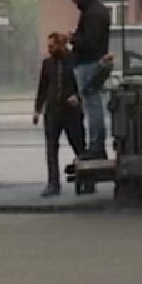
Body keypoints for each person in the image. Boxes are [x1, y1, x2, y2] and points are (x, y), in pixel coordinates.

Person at [31, 32, 87, 197]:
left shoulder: (74, 61)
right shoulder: (48, 64)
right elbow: (43, 87)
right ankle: (53, 184)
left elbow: (83, 84)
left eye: (52, 46)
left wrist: (78, 97)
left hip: (71, 111)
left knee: (78, 145)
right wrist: (37, 110)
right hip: (53, 111)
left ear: (61, 45)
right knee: (51, 148)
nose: (49, 50)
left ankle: (85, 180)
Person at [63, 0, 112, 160]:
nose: (74, 2)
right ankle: (96, 145)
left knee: (93, 106)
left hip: (89, 63)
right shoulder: (95, 11)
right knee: (93, 104)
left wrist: (73, 39)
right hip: (91, 62)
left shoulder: (93, 13)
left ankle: (96, 146)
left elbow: (91, 43)